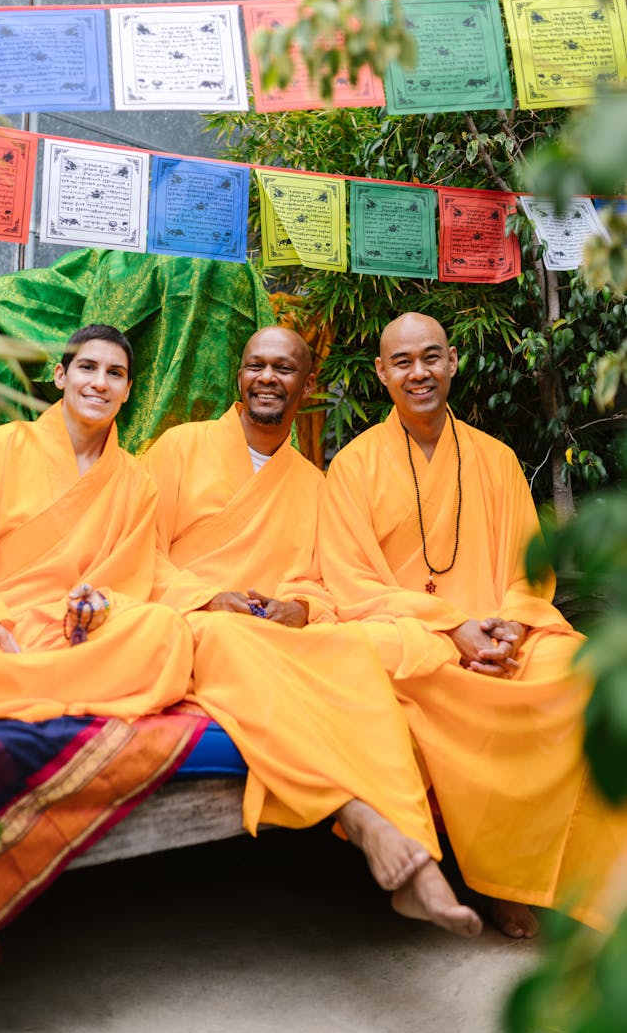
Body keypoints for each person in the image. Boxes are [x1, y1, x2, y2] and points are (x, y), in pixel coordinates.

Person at [144, 325, 483, 938]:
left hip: (279, 637)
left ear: (307, 384)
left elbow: (326, 582)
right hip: (192, 624)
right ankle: (372, 823)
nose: (268, 378)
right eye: (256, 366)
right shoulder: (178, 449)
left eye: (284, 368)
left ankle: (407, 851)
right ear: (240, 377)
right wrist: (205, 597)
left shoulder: (315, 483)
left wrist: (299, 607)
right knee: (229, 638)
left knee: (352, 659)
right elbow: (136, 552)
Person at [319, 312, 627, 936]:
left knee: (579, 673)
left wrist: (511, 625)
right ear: (381, 373)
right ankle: (483, 877)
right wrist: (450, 627)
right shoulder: (352, 466)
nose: (419, 372)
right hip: (417, 638)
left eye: (431, 357)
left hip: (499, 635)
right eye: (402, 362)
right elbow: (351, 584)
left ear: (454, 361)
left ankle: (551, 879)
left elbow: (526, 571)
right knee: (385, 665)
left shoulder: (496, 458)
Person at [0, 324, 194, 723]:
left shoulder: (137, 483)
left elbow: (127, 585)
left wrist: (95, 608)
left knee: (164, 629)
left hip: (71, 635)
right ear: (62, 377)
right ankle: (35, 685)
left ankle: (7, 685)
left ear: (128, 390)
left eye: (115, 374)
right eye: (87, 367)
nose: (100, 382)